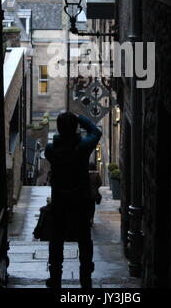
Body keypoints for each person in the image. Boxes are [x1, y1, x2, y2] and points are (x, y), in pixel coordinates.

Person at [44, 112, 102, 289]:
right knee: (84, 238)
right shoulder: (83, 147)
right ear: (75, 127)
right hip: (80, 198)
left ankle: (55, 277)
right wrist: (80, 118)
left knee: (57, 238)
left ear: (60, 128)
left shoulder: (50, 149)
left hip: (60, 198)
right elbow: (96, 132)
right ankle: (86, 275)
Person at [88, 162, 102, 226]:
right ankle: (91, 218)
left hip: (86, 193)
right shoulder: (96, 174)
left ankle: (87, 218)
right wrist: (95, 187)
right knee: (92, 206)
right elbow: (100, 183)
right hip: (94, 193)